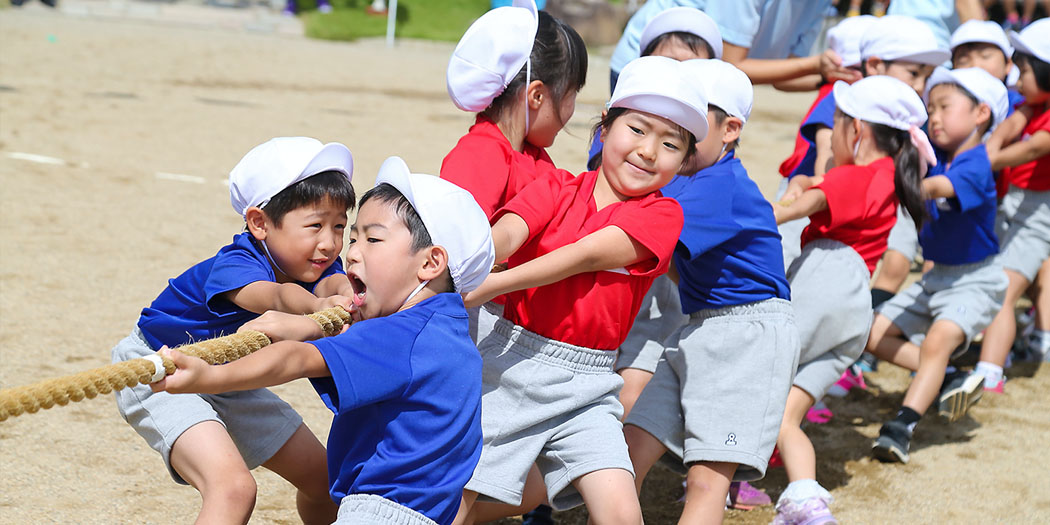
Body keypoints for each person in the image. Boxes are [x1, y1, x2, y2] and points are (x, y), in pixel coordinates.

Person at [153, 158, 496, 525]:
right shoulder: (447, 327)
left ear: (430, 263)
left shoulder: (402, 335)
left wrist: (210, 376)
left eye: (372, 239)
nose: (350, 252)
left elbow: (296, 359)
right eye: (355, 238)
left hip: (379, 513)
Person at [452, 55, 704, 525]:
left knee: (621, 512)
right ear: (604, 127)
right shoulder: (553, 185)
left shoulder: (663, 215)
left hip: (592, 382)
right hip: (512, 366)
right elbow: (506, 234)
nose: (649, 151)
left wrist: (494, 283)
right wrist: (469, 265)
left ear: (685, 161)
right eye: (637, 129)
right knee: (456, 499)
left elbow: (586, 255)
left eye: (670, 143)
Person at [112, 137, 357, 524]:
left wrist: (347, 293)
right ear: (259, 223)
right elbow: (275, 296)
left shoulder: (315, 260)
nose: (329, 243)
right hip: (160, 368)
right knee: (233, 488)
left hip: (224, 375)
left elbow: (333, 282)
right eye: (315, 225)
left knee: (325, 481)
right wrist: (316, 307)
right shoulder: (237, 262)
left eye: (339, 226)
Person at [622, 59, 798, 524]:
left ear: (730, 129)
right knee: (628, 452)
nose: (678, 134)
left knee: (706, 481)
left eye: (693, 123)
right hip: (699, 325)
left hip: (747, 334)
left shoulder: (718, 185)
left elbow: (639, 244)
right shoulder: (683, 178)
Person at [771, 76, 932, 517]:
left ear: (856, 129)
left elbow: (795, 209)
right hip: (855, 312)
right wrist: (807, 181)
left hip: (824, 286)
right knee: (785, 417)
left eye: (837, 122)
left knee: (759, 375)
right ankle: (807, 503)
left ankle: (716, 477)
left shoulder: (855, 176)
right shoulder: (887, 175)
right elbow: (822, 187)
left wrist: (765, 209)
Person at [867, 68, 1010, 463]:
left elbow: (936, 189)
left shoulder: (976, 163)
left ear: (981, 113)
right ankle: (946, 375)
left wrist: (900, 185)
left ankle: (902, 427)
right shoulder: (937, 157)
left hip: (975, 281)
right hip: (934, 280)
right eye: (931, 109)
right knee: (869, 333)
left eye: (945, 107)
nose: (935, 117)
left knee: (938, 340)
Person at [442, 0, 587, 343]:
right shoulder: (481, 153)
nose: (572, 110)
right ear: (536, 95)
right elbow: (455, 254)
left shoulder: (533, 155)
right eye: (571, 95)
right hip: (481, 322)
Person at [979, 19, 1050, 387]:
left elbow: (1034, 148)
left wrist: (987, 161)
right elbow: (1010, 126)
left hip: (1038, 214)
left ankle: (990, 371)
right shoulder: (1032, 105)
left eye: (1024, 72)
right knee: (1013, 279)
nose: (1017, 80)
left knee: (1003, 289)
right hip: (1017, 206)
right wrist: (989, 146)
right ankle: (1033, 340)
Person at [608, 0, 860, 93]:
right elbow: (731, 64)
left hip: (705, 78)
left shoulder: (820, 3)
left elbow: (786, 74)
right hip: (651, 63)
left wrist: (832, 76)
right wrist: (816, 65)